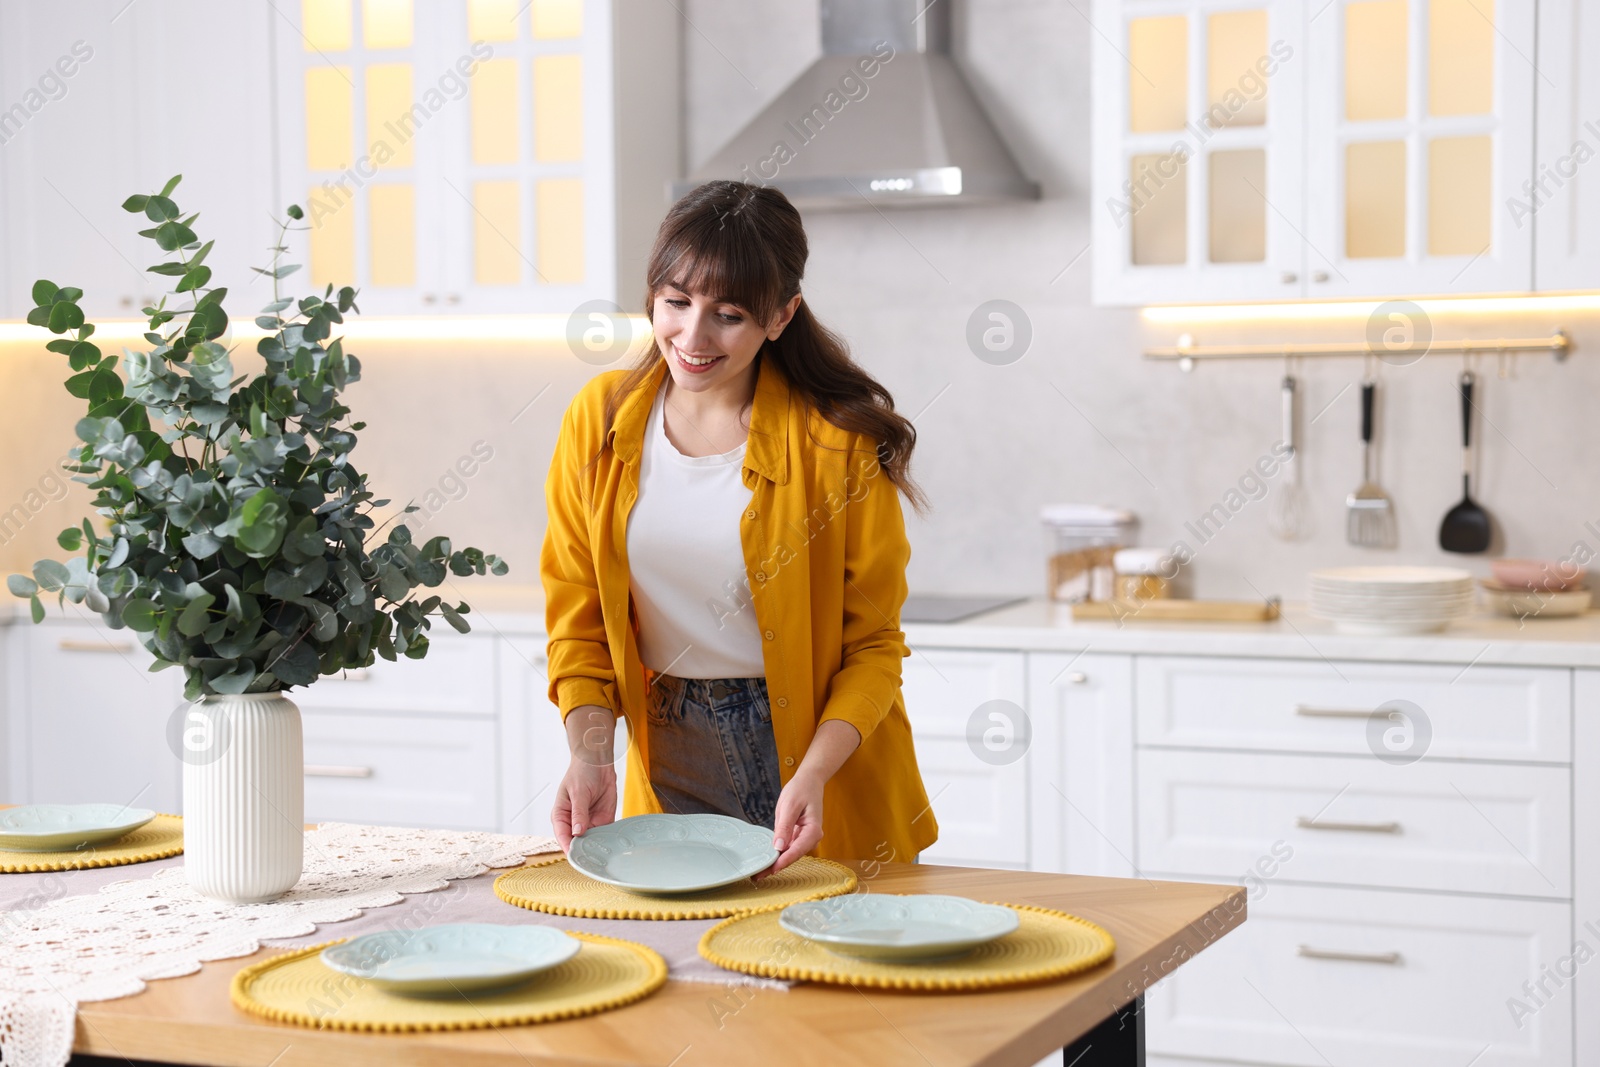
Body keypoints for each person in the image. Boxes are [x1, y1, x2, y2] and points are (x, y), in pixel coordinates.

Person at [540, 180, 936, 874]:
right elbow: (576, 620)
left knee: (823, 970)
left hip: (815, 764)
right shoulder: (597, 420)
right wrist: (592, 752)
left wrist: (813, 773)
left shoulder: (834, 442)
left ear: (781, 317)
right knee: (688, 969)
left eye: (728, 314)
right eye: (676, 302)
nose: (692, 337)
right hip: (667, 748)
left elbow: (873, 645)